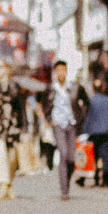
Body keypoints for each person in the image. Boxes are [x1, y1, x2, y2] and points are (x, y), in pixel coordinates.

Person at [43, 61, 90, 199]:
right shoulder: (51, 88)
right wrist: (50, 120)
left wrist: (81, 118)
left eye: (63, 70)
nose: (60, 73)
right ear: (55, 72)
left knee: (70, 157)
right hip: (59, 125)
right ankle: (64, 190)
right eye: (58, 70)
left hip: (72, 123)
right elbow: (44, 105)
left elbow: (86, 102)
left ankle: (67, 181)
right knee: (63, 154)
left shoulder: (75, 87)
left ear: (66, 71)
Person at [0, 59, 25, 199]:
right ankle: (3, 187)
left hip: (13, 127)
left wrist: (25, 129)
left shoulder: (15, 86)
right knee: (0, 156)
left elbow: (21, 109)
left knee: (12, 158)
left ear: (8, 69)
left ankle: (9, 186)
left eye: (0, 67)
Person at [85, 73, 108, 188]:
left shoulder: (92, 101)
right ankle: (105, 179)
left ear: (94, 89)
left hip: (94, 132)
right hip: (106, 132)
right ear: (103, 88)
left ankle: (96, 178)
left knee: (95, 156)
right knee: (106, 156)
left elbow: (88, 117)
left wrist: (85, 131)